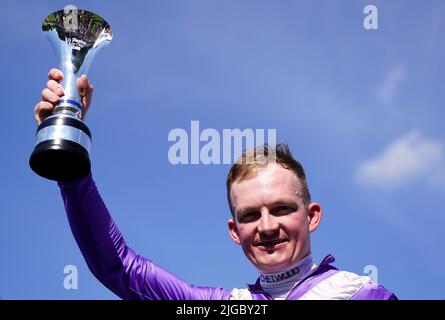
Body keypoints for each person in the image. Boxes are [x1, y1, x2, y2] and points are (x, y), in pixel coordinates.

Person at [34, 69, 398, 300]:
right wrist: (69, 157)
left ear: (312, 215)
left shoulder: (363, 294)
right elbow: (120, 268)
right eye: (251, 215)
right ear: (234, 231)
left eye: (282, 208)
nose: (268, 227)